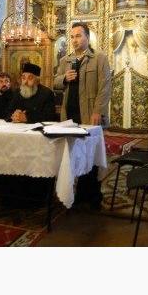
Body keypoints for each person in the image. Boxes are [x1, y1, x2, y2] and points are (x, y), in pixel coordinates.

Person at [53, 22, 112, 209]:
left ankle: (93, 196)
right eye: (72, 36)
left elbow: (105, 87)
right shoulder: (66, 60)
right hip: (69, 114)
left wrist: (98, 111)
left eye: (78, 36)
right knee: (74, 155)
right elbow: (55, 82)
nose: (74, 40)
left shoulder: (99, 58)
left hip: (89, 114)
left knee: (90, 155)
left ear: (87, 37)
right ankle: (78, 193)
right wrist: (64, 78)